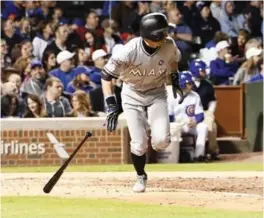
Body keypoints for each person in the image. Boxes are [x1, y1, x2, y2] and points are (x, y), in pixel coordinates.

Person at [101, 13, 182, 193]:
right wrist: (112, 105)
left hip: (157, 93)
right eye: (162, 32)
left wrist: (175, 80)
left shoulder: (169, 45)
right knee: (139, 144)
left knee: (161, 141)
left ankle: (155, 139)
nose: (166, 35)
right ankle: (141, 176)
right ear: (150, 36)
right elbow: (106, 76)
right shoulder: (128, 50)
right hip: (132, 94)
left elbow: (174, 61)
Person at [168, 71, 208, 162]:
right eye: (189, 83)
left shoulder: (195, 96)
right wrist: (175, 125)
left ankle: (199, 156)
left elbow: (200, 115)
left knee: (203, 127)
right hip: (176, 126)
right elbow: (168, 116)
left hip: (190, 125)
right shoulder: (171, 96)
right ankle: (173, 158)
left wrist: (195, 121)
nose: (191, 85)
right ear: (182, 84)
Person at [189, 59, 219, 160]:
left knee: (210, 125)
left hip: (204, 112)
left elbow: (213, 100)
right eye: (202, 70)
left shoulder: (208, 84)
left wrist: (210, 112)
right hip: (188, 113)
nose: (204, 72)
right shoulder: (186, 82)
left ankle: (212, 151)